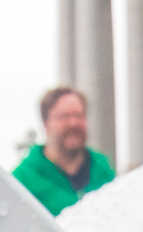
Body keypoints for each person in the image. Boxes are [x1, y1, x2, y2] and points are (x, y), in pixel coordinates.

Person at [12, 85, 114, 215]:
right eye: (64, 117)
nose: (73, 123)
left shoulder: (105, 173)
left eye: (78, 115)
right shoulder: (23, 181)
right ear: (45, 122)